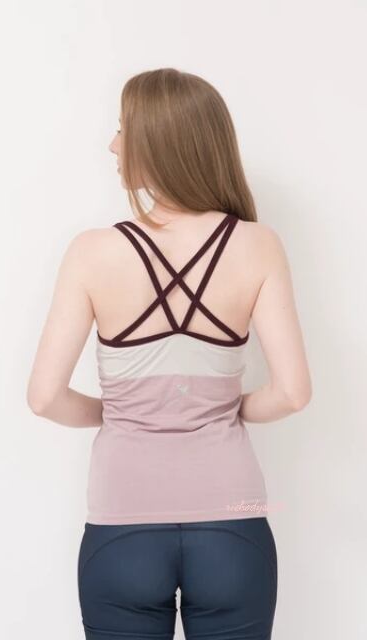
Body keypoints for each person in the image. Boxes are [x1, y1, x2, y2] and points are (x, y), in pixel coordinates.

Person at [27, 68, 312, 640]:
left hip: (121, 526)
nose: (113, 145)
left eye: (123, 129)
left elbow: (44, 398)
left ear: (160, 140)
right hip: (232, 527)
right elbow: (292, 393)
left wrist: (122, 411)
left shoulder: (92, 252)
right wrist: (224, 407)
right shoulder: (256, 245)